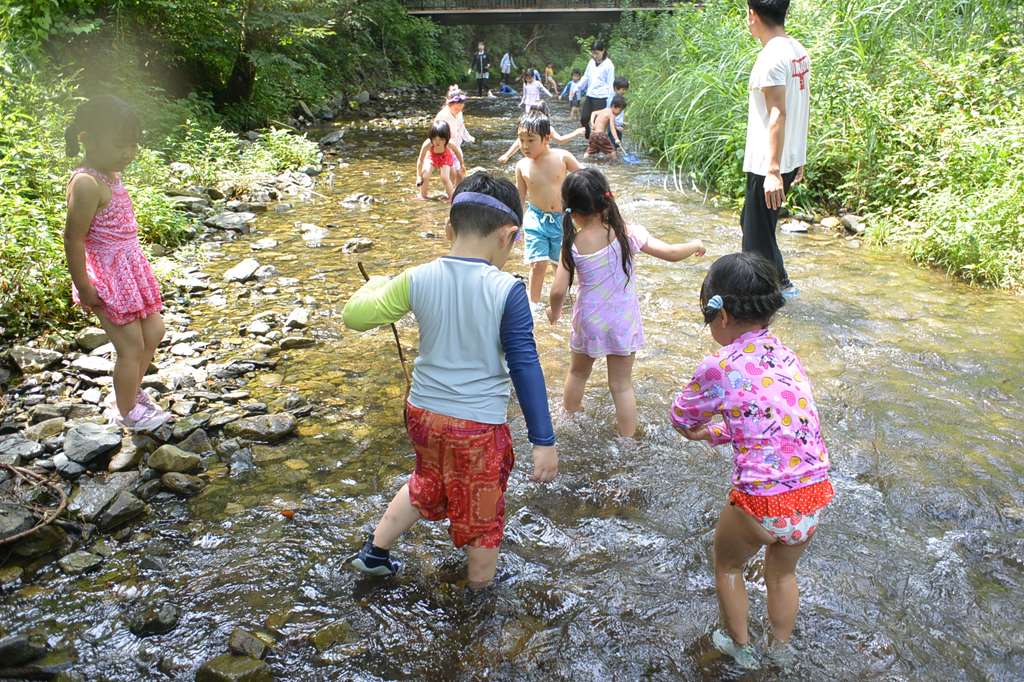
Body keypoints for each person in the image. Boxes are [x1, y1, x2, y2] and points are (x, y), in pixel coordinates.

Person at [342, 173, 558, 588]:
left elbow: (355, 317)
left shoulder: (416, 278)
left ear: (448, 229)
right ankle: (479, 594)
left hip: (423, 415)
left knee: (426, 481)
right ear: (509, 236)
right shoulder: (507, 291)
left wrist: (374, 285)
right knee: (482, 512)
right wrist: (543, 441)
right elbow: (526, 366)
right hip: (476, 428)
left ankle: (375, 552)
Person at [670, 252, 833, 668]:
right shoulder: (786, 356)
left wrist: (697, 430)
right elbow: (774, 421)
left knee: (727, 565)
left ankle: (739, 648)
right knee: (782, 574)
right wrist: (721, 433)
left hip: (761, 500)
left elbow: (681, 415)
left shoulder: (718, 365)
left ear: (720, 315)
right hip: (813, 495)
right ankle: (780, 651)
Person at [548, 169, 704, 437]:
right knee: (621, 385)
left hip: (590, 321)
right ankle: (627, 439)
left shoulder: (572, 244)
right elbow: (670, 253)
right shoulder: (627, 234)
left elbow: (558, 290)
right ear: (606, 200)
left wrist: (555, 310)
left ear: (571, 210)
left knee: (577, 374)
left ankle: (569, 419)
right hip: (622, 321)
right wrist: (694, 243)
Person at [63, 95, 173, 432]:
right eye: (119, 145)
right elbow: (73, 237)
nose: (127, 153)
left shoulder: (109, 173)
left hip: (129, 269)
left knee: (154, 331)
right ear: (88, 138)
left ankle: (128, 393)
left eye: (133, 145)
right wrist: (84, 285)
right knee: (130, 345)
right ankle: (126, 411)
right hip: (107, 276)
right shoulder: (86, 183)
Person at [741, 0, 810, 299]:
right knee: (755, 225)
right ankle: (781, 285)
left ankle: (767, 298)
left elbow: (778, 113)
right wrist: (799, 156)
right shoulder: (797, 50)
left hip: (769, 163)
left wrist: (772, 171)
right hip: (786, 157)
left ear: (753, 15)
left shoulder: (770, 58)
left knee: (755, 240)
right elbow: (802, 104)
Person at [514, 112, 581, 310]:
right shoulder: (522, 166)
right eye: (521, 140)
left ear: (546, 138)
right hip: (535, 218)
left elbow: (585, 179)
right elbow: (520, 198)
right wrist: (515, 224)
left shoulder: (562, 157)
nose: (525, 146)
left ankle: (568, 302)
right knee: (538, 263)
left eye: (530, 140)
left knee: (560, 265)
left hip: (562, 219)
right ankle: (532, 305)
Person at [497, 102, 585, 164]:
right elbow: (518, 142)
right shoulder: (527, 128)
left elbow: (560, 140)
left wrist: (576, 132)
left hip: (545, 157)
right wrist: (507, 155)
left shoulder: (548, 129)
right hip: (532, 155)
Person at [434, 86, 474, 184]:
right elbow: (436, 135)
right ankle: (450, 194)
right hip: (444, 148)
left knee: (460, 173)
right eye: (457, 106)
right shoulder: (442, 116)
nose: (460, 108)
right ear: (449, 104)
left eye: (461, 105)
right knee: (452, 174)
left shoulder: (459, 113)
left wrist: (468, 137)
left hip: (456, 146)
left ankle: (457, 192)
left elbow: (461, 127)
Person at [415, 121, 465, 201]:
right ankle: (423, 195)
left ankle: (451, 198)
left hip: (445, 157)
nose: (437, 142)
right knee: (425, 174)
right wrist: (418, 176)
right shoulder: (428, 144)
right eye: (434, 139)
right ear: (431, 137)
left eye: (441, 139)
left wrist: (462, 164)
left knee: (444, 177)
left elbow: (457, 152)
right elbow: (420, 160)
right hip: (431, 157)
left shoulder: (450, 143)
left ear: (447, 138)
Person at [577, 40, 615, 138]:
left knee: (597, 123)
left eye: (597, 53)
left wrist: (609, 103)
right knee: (584, 119)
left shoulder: (609, 65)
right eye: (593, 53)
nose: (594, 56)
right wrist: (578, 87)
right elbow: (586, 77)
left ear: (603, 51)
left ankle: (596, 145)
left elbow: (611, 84)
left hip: (602, 97)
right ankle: (588, 135)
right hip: (590, 95)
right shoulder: (591, 62)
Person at [607, 76, 630, 146]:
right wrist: (616, 127)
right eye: (622, 90)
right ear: (615, 88)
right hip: (613, 126)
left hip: (618, 126)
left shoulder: (620, 99)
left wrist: (622, 122)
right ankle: (613, 156)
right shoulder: (612, 100)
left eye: (625, 89)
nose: (624, 92)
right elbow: (610, 115)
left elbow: (619, 114)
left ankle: (614, 155)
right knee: (612, 145)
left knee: (616, 145)